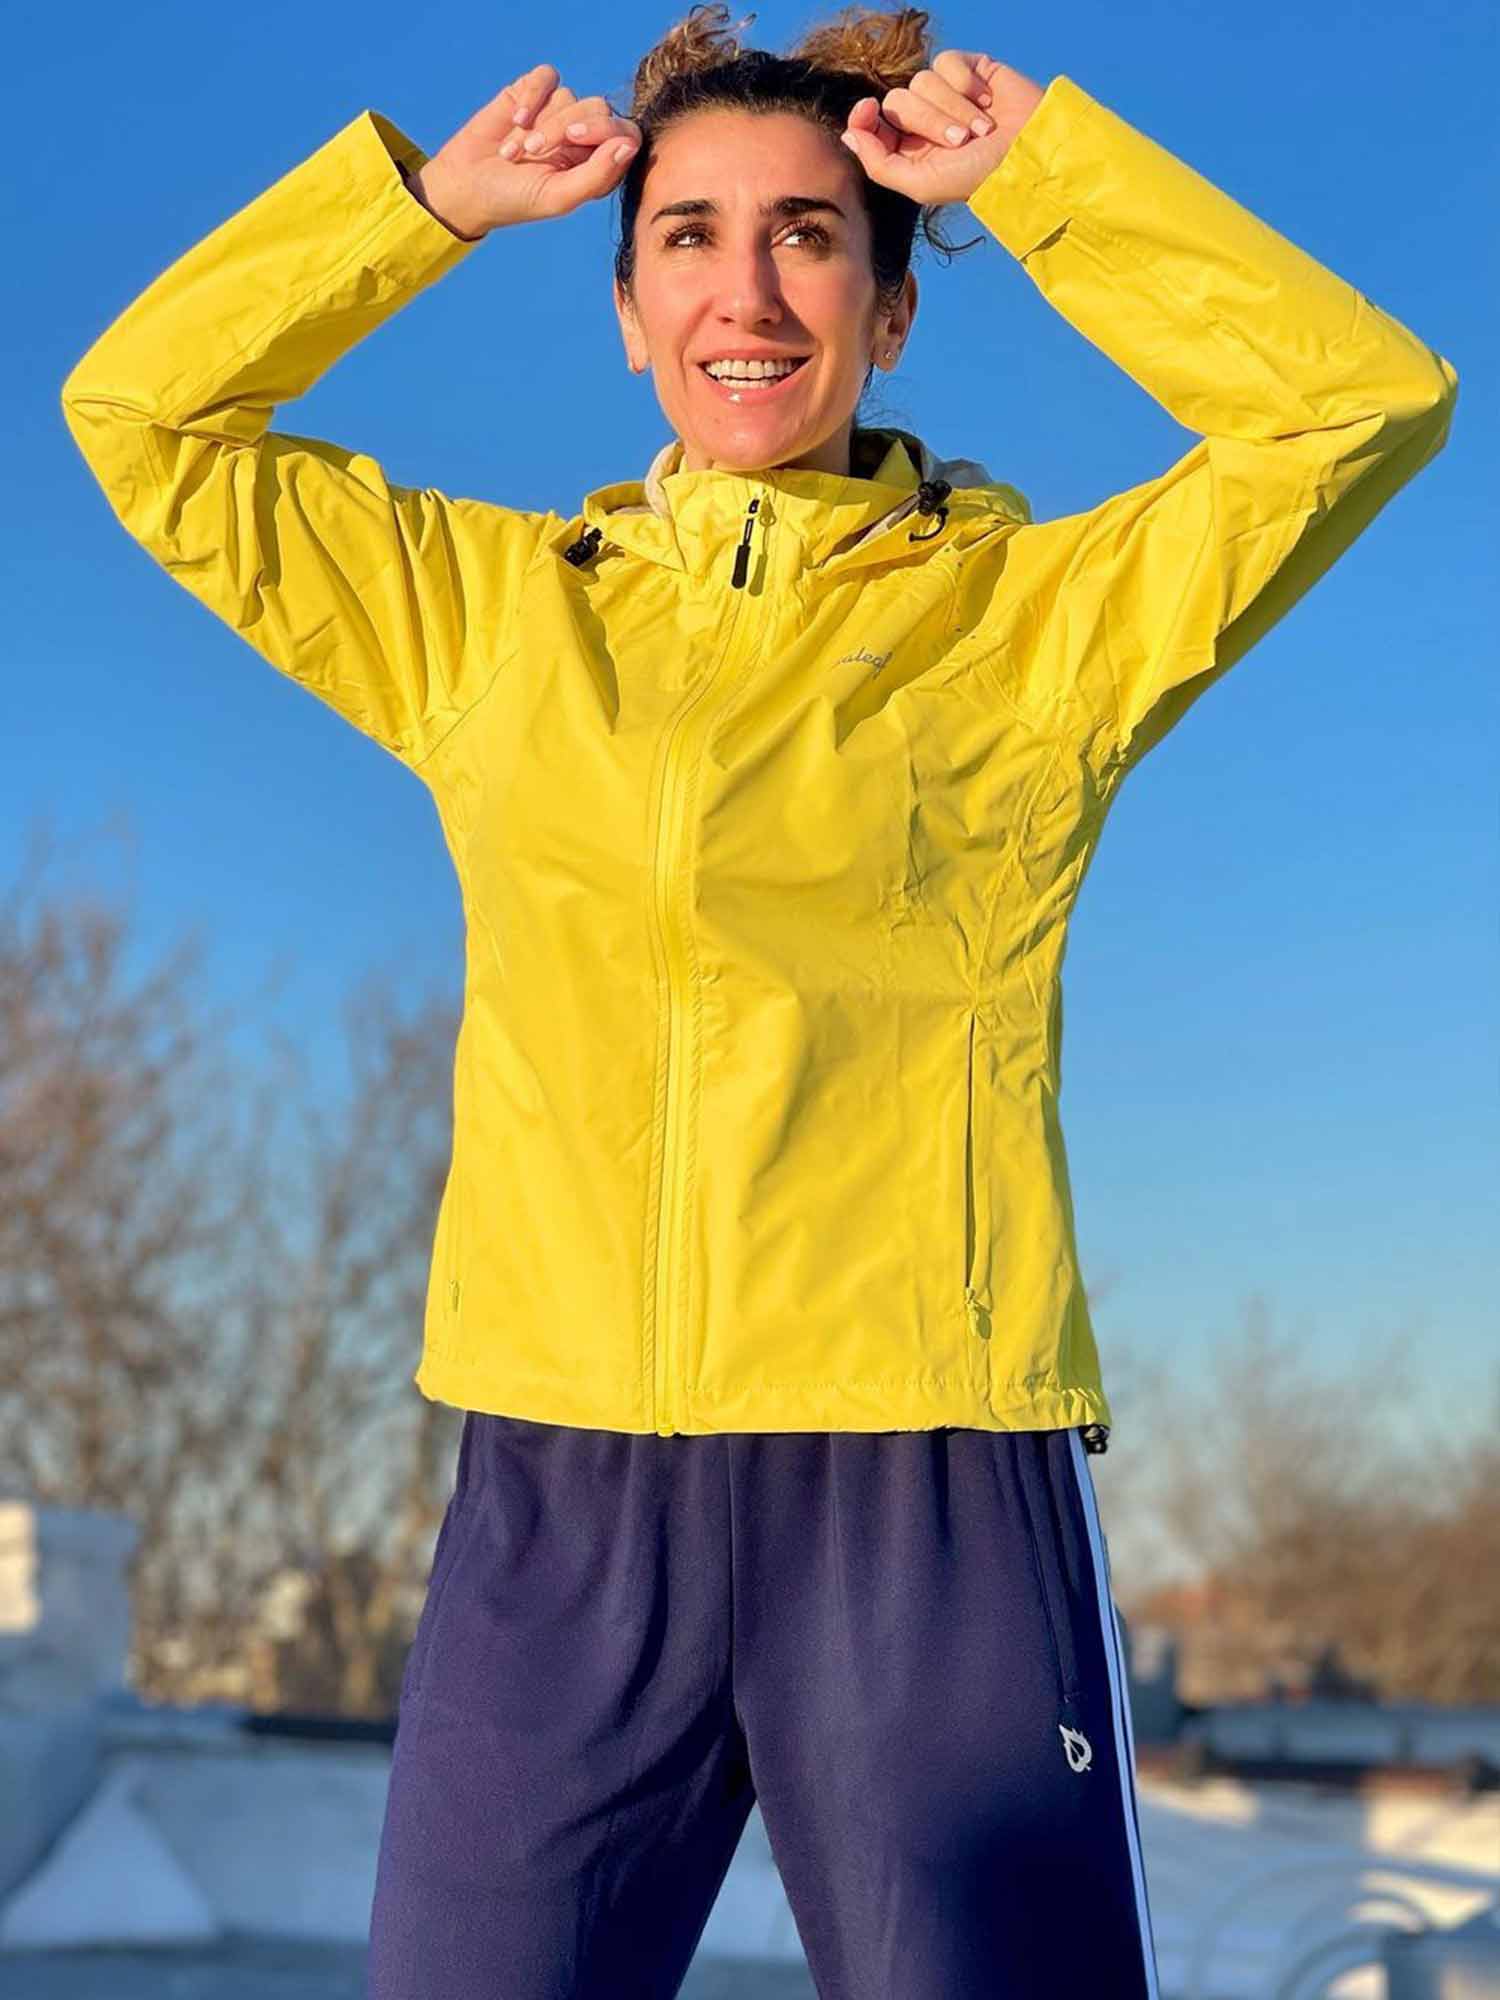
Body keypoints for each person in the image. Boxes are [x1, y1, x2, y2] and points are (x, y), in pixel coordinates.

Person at [59, 5, 1457, 1995]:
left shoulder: (1033, 627)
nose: (748, 291)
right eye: (689, 237)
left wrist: (1051, 178)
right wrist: (421, 210)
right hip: (562, 1487)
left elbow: (1361, 406)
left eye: (810, 235)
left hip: (922, 1486)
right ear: (628, 310)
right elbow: (143, 418)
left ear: (892, 309)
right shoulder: (493, 619)